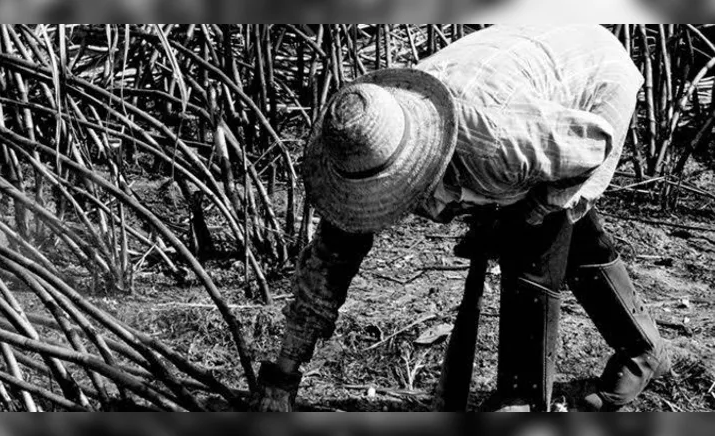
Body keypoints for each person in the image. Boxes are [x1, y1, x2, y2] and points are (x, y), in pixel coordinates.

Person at [252, 25, 670, 412]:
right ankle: (644, 349)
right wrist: (284, 372)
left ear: (423, 162)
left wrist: (534, 208)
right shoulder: (363, 142)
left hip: (592, 81)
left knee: (534, 240)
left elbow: (592, 145)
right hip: (517, 74)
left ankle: (522, 402)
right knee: (525, 216)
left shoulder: (498, 143)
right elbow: (330, 263)